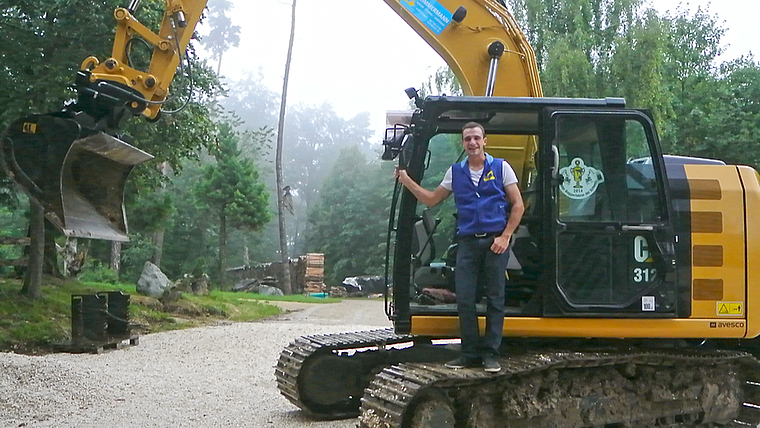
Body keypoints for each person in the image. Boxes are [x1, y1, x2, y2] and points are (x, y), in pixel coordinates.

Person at [394, 122, 524, 373]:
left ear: (485, 141)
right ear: (463, 144)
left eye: (476, 138)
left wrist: (506, 236)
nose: (472, 143)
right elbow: (432, 199)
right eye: (467, 139)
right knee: (465, 299)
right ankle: (469, 353)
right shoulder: (455, 172)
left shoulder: (501, 168)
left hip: (495, 241)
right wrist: (406, 180)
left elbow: (517, 205)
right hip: (467, 242)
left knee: (496, 299)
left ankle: (491, 354)